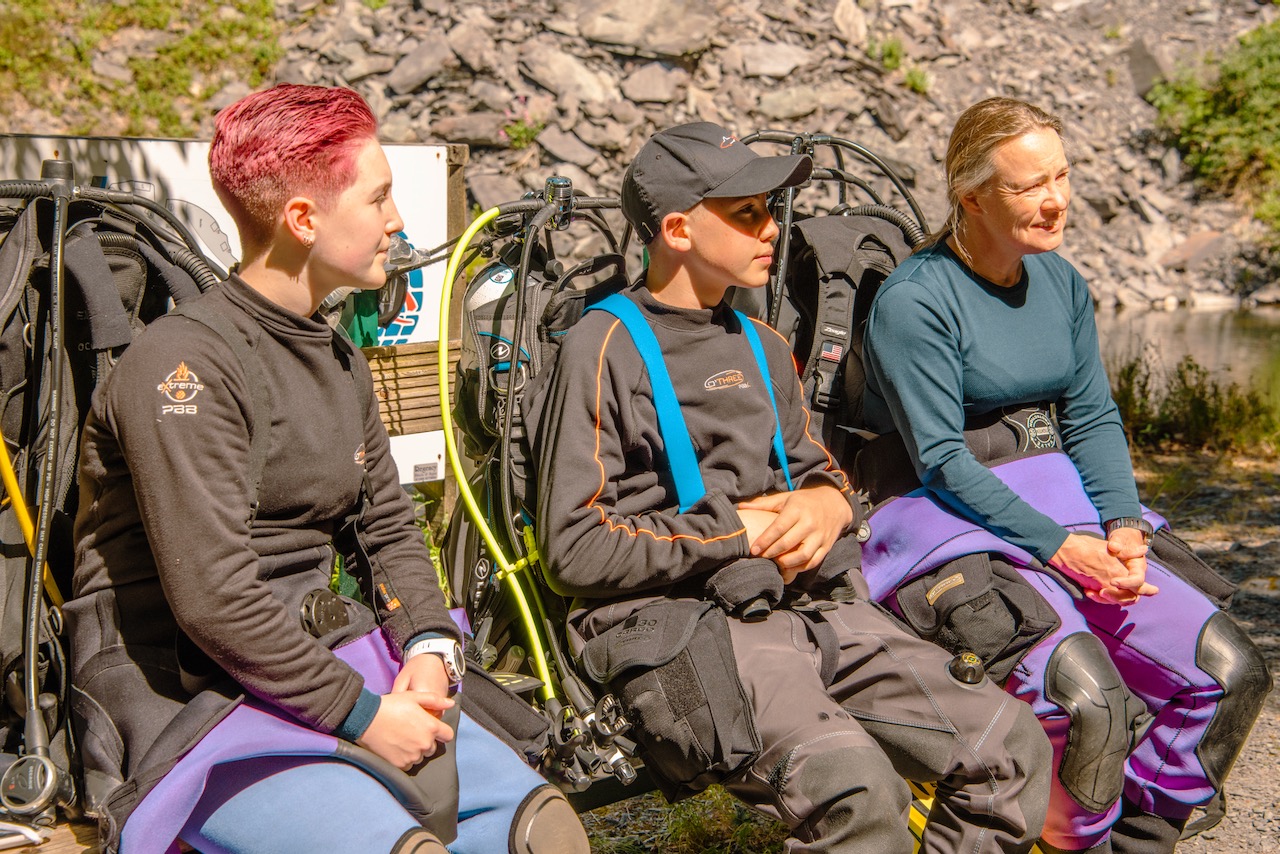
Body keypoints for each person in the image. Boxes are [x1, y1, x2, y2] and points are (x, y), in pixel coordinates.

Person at [64, 84, 588, 854]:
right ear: (304, 220)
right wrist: (367, 717)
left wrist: (428, 650)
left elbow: (388, 524)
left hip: (321, 667)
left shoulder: (335, 354)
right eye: (378, 199)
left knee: (543, 835)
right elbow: (214, 602)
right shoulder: (184, 365)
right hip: (187, 698)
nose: (398, 222)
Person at [533, 121, 1054, 853]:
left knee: (1012, 750)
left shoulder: (765, 344)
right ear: (678, 229)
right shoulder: (602, 347)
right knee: (859, 796)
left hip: (812, 605)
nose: (772, 228)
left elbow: (819, 472)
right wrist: (738, 533)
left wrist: (830, 502)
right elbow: (574, 548)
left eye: (770, 209)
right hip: (689, 623)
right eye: (746, 212)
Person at [856, 97, 1271, 854]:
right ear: (971, 195)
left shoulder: (1061, 283)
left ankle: (1138, 837)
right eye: (1029, 186)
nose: (1056, 200)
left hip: (1060, 503)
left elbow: (1093, 418)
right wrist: (1059, 548)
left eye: (1063, 176)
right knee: (1089, 701)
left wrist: (1122, 526)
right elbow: (941, 458)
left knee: (1228, 672)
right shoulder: (915, 301)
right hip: (942, 514)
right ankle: (1065, 834)